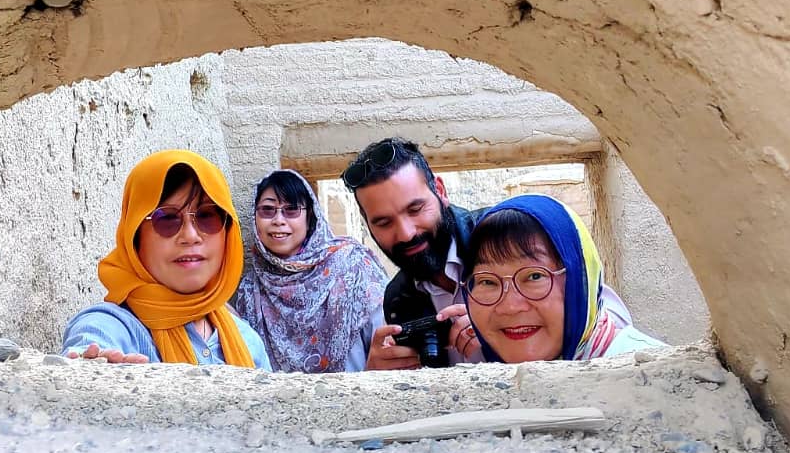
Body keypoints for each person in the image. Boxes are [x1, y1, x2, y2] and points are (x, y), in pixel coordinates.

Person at [342, 137, 632, 370]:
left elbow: (604, 318)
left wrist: (500, 328)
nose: (406, 233)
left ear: (440, 191)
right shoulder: (397, 298)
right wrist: (381, 376)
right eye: (384, 222)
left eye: (415, 209)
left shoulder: (502, 240)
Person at [61, 150, 272, 369]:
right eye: (167, 218)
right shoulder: (114, 326)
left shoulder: (247, 341)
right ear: (134, 238)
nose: (190, 236)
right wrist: (89, 367)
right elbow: (87, 346)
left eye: (207, 216)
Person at [463, 194, 664, 361]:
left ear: (579, 284)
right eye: (487, 281)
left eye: (534, 276)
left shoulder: (651, 372)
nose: (510, 307)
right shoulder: (480, 382)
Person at [234, 169, 388, 372]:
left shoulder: (353, 265)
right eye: (267, 210)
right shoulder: (250, 289)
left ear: (310, 217)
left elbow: (385, 339)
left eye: (291, 210)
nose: (278, 220)